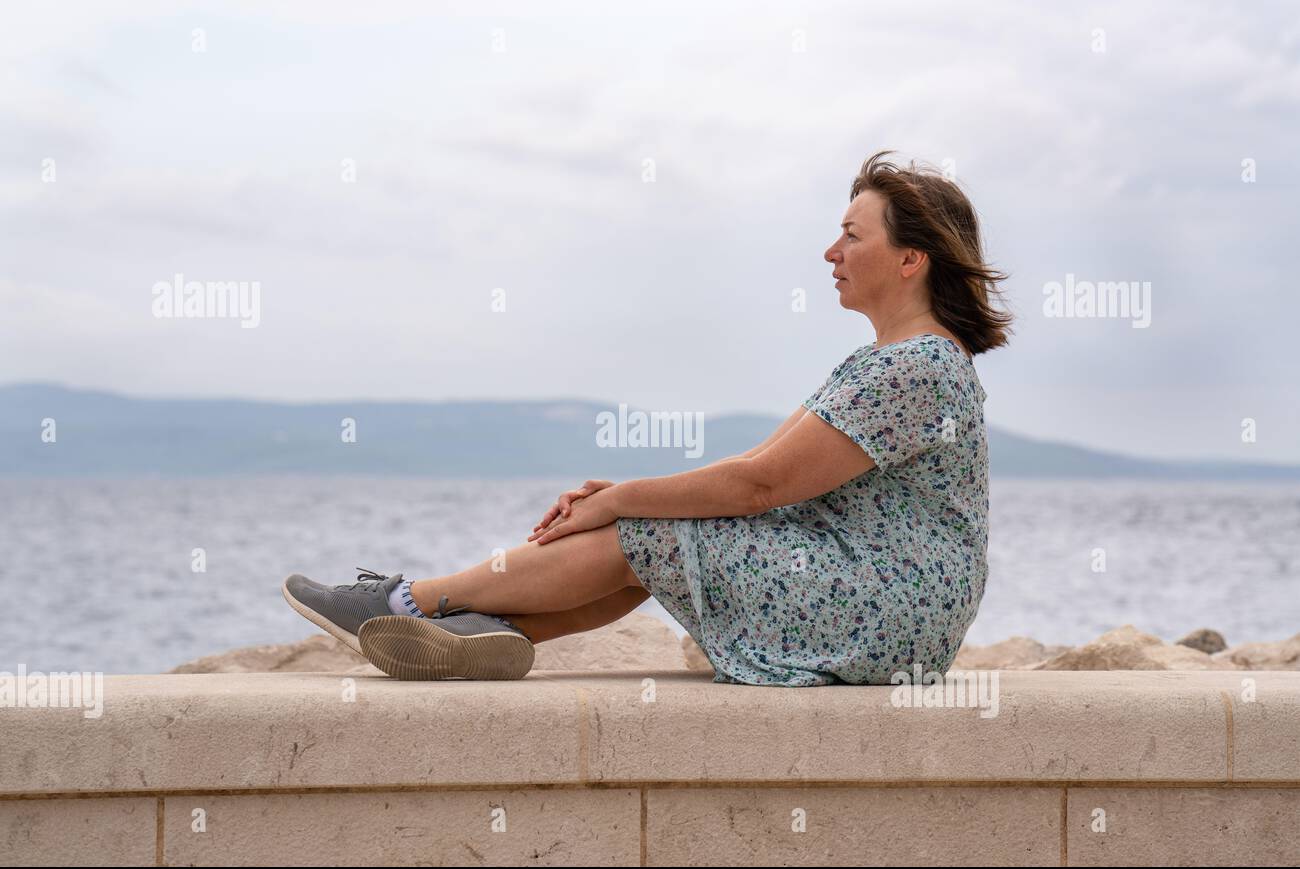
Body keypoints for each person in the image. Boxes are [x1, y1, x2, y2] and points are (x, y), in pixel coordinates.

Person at [282, 150, 1012, 685]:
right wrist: (629, 492)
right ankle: (480, 635)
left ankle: (410, 599)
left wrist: (624, 498)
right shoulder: (890, 361)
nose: (831, 250)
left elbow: (759, 486)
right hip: (888, 601)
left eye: (853, 235)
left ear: (911, 257)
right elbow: (759, 468)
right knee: (674, 534)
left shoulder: (915, 367)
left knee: (651, 530)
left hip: (888, 608)